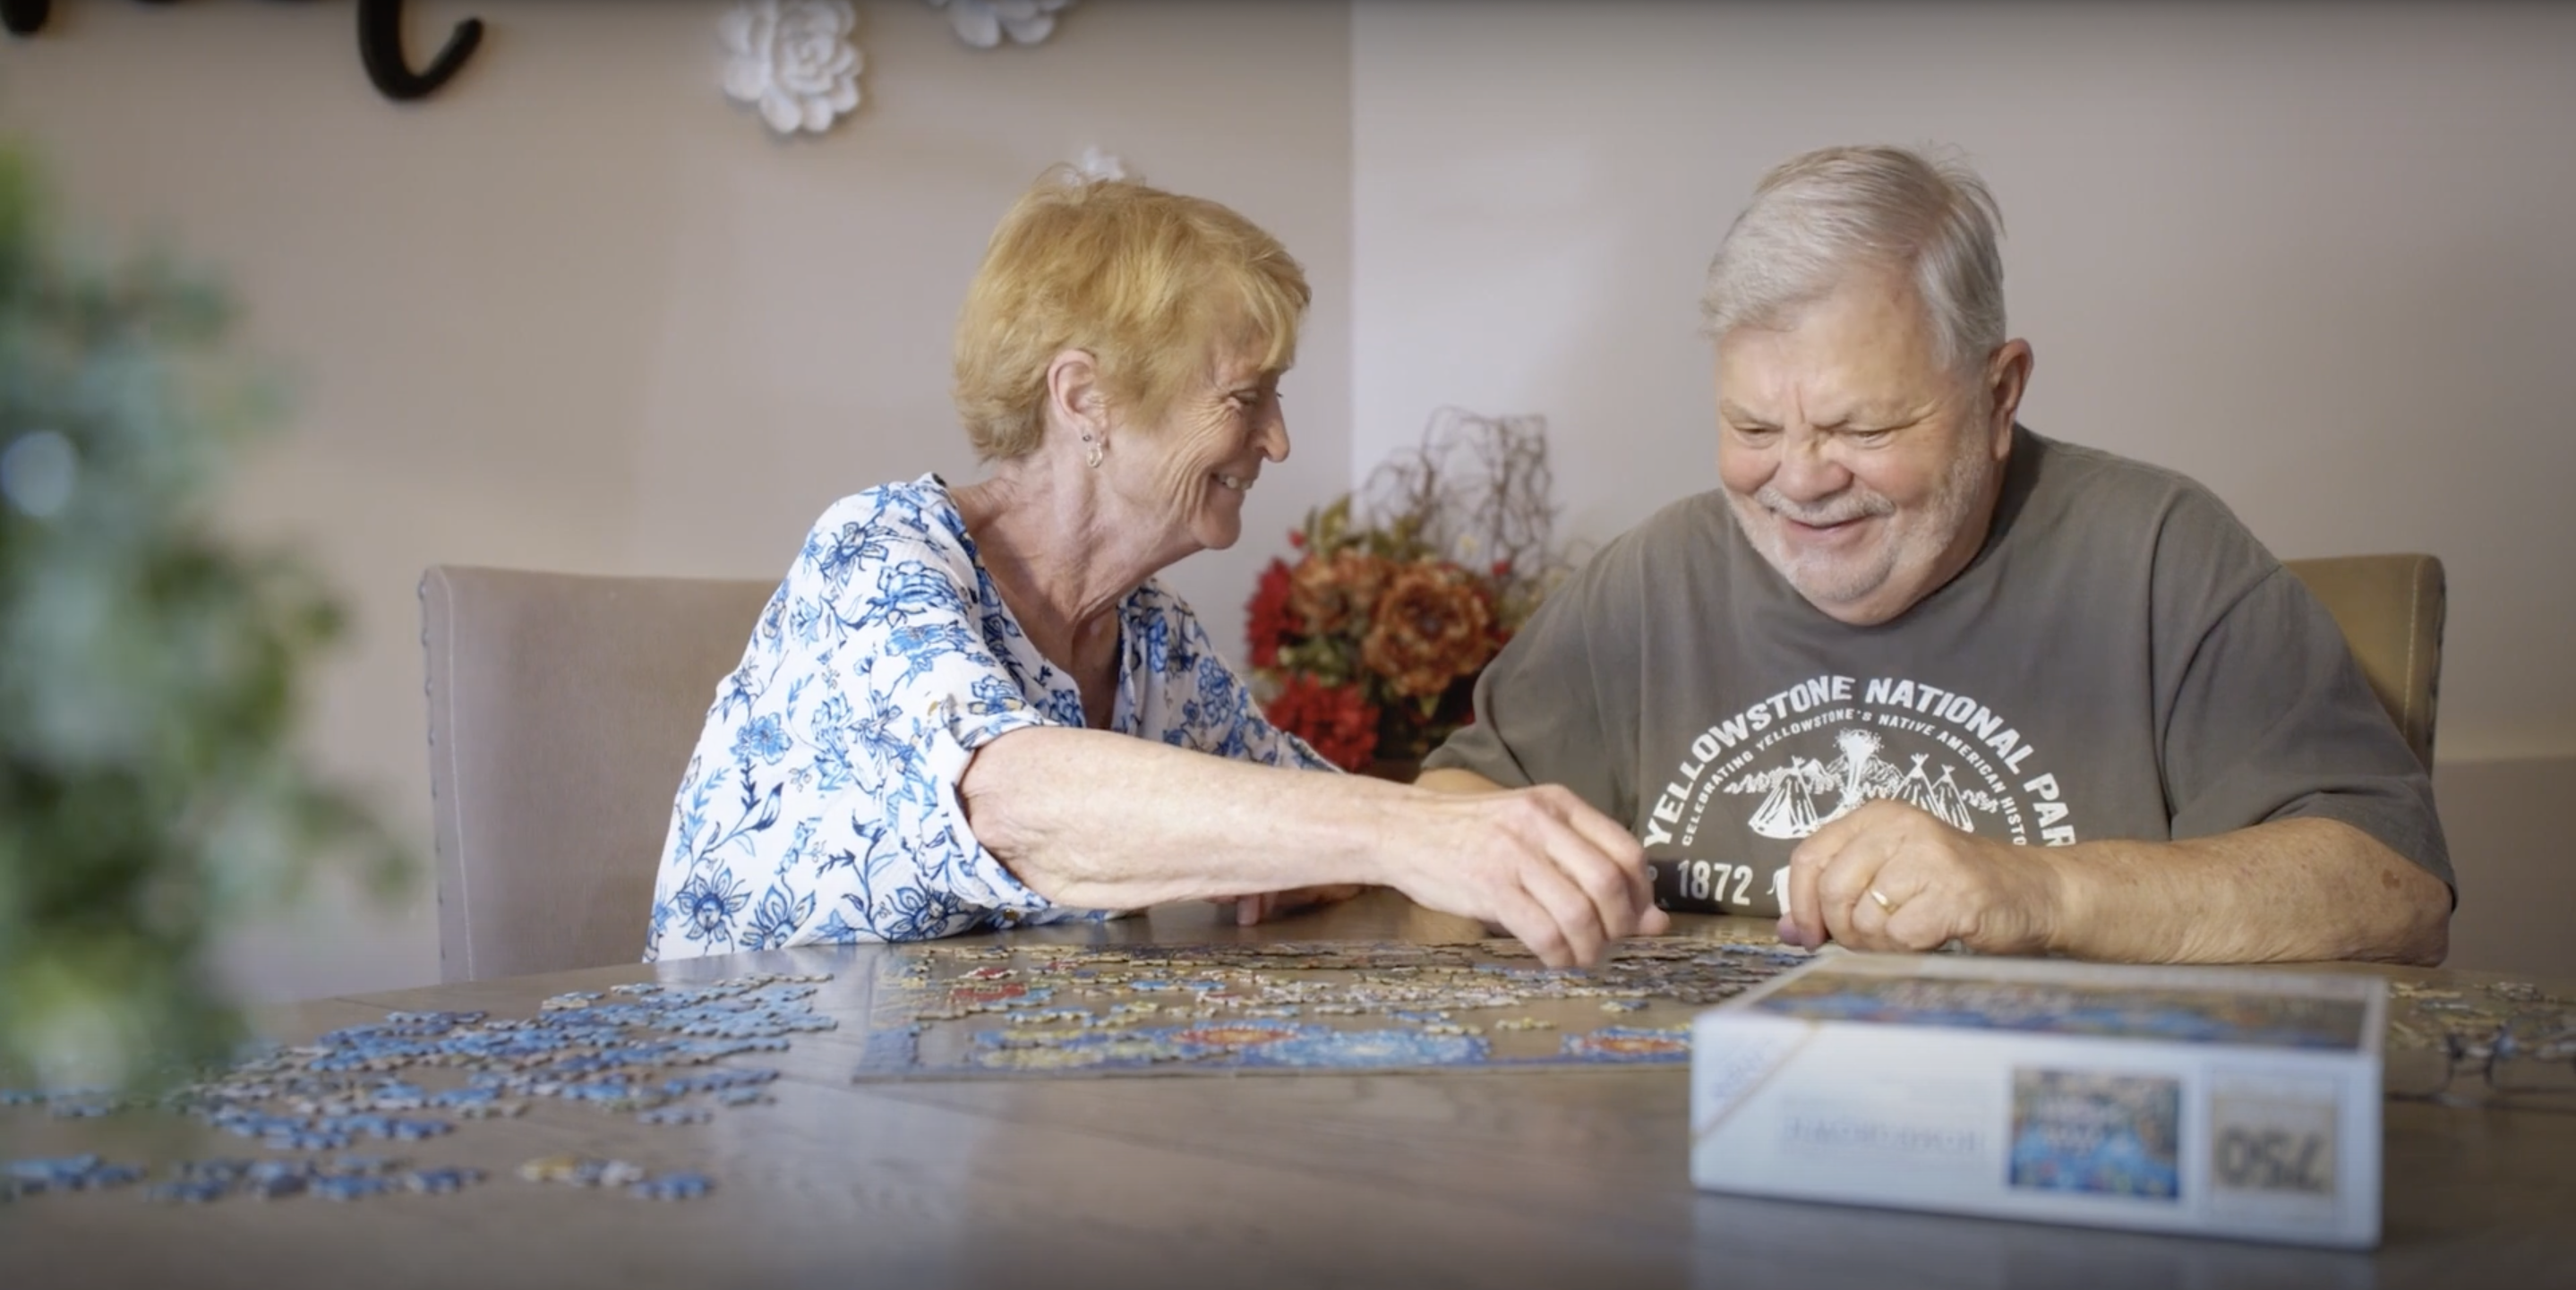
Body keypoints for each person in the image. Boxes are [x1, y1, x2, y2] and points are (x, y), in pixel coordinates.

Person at [1419, 144, 2453, 965]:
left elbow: (2394, 888)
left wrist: (2039, 890)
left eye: (1863, 428)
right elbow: (1456, 809)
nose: (1801, 480)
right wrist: (1475, 854)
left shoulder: (2159, 556)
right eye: (1754, 428)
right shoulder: (1652, 580)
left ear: (1999, 395)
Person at [644, 173, 1667, 968]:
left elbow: (1294, 807)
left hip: (978, 1109)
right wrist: (1400, 832)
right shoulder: (876, 554)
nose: (1278, 440)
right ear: (1083, 398)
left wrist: (1505, 838)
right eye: (1246, 397)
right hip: (748, 1106)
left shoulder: (1149, 633)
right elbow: (1016, 804)